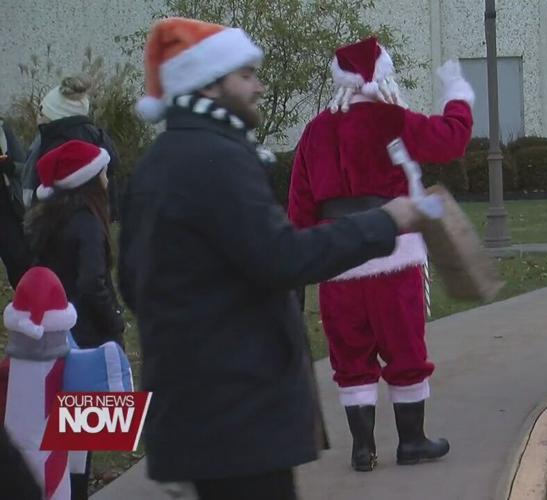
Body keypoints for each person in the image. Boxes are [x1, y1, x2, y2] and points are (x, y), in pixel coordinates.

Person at [119, 17, 427, 499]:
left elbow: (133, 282)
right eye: (245, 75)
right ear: (210, 83)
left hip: (200, 404)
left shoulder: (160, 162)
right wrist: (382, 223)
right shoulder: (216, 158)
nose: (259, 86)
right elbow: (280, 256)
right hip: (237, 407)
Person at [288, 37, 474, 471]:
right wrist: (458, 97)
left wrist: (301, 258)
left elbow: (299, 203)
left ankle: (361, 448)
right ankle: (412, 441)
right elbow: (451, 140)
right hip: (394, 252)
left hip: (336, 262)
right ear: (382, 76)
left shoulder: (315, 131)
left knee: (350, 357)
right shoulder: (393, 121)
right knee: (405, 350)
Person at [24, 139, 126, 500]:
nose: (107, 179)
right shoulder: (87, 223)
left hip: (57, 337)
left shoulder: (53, 218)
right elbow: (92, 282)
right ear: (87, 179)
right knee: (83, 442)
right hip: (87, 338)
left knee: (67, 442)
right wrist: (115, 321)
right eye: (102, 171)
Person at [23, 76, 122, 219]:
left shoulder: (59, 146)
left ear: (54, 115)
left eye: (41, 112)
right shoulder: (97, 136)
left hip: (64, 228)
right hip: (96, 222)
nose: (38, 118)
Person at [0, 119, 31, 287]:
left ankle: (27, 303)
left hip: (7, 208)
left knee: (18, 262)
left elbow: (25, 167)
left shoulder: (3, 130)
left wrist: (10, 167)